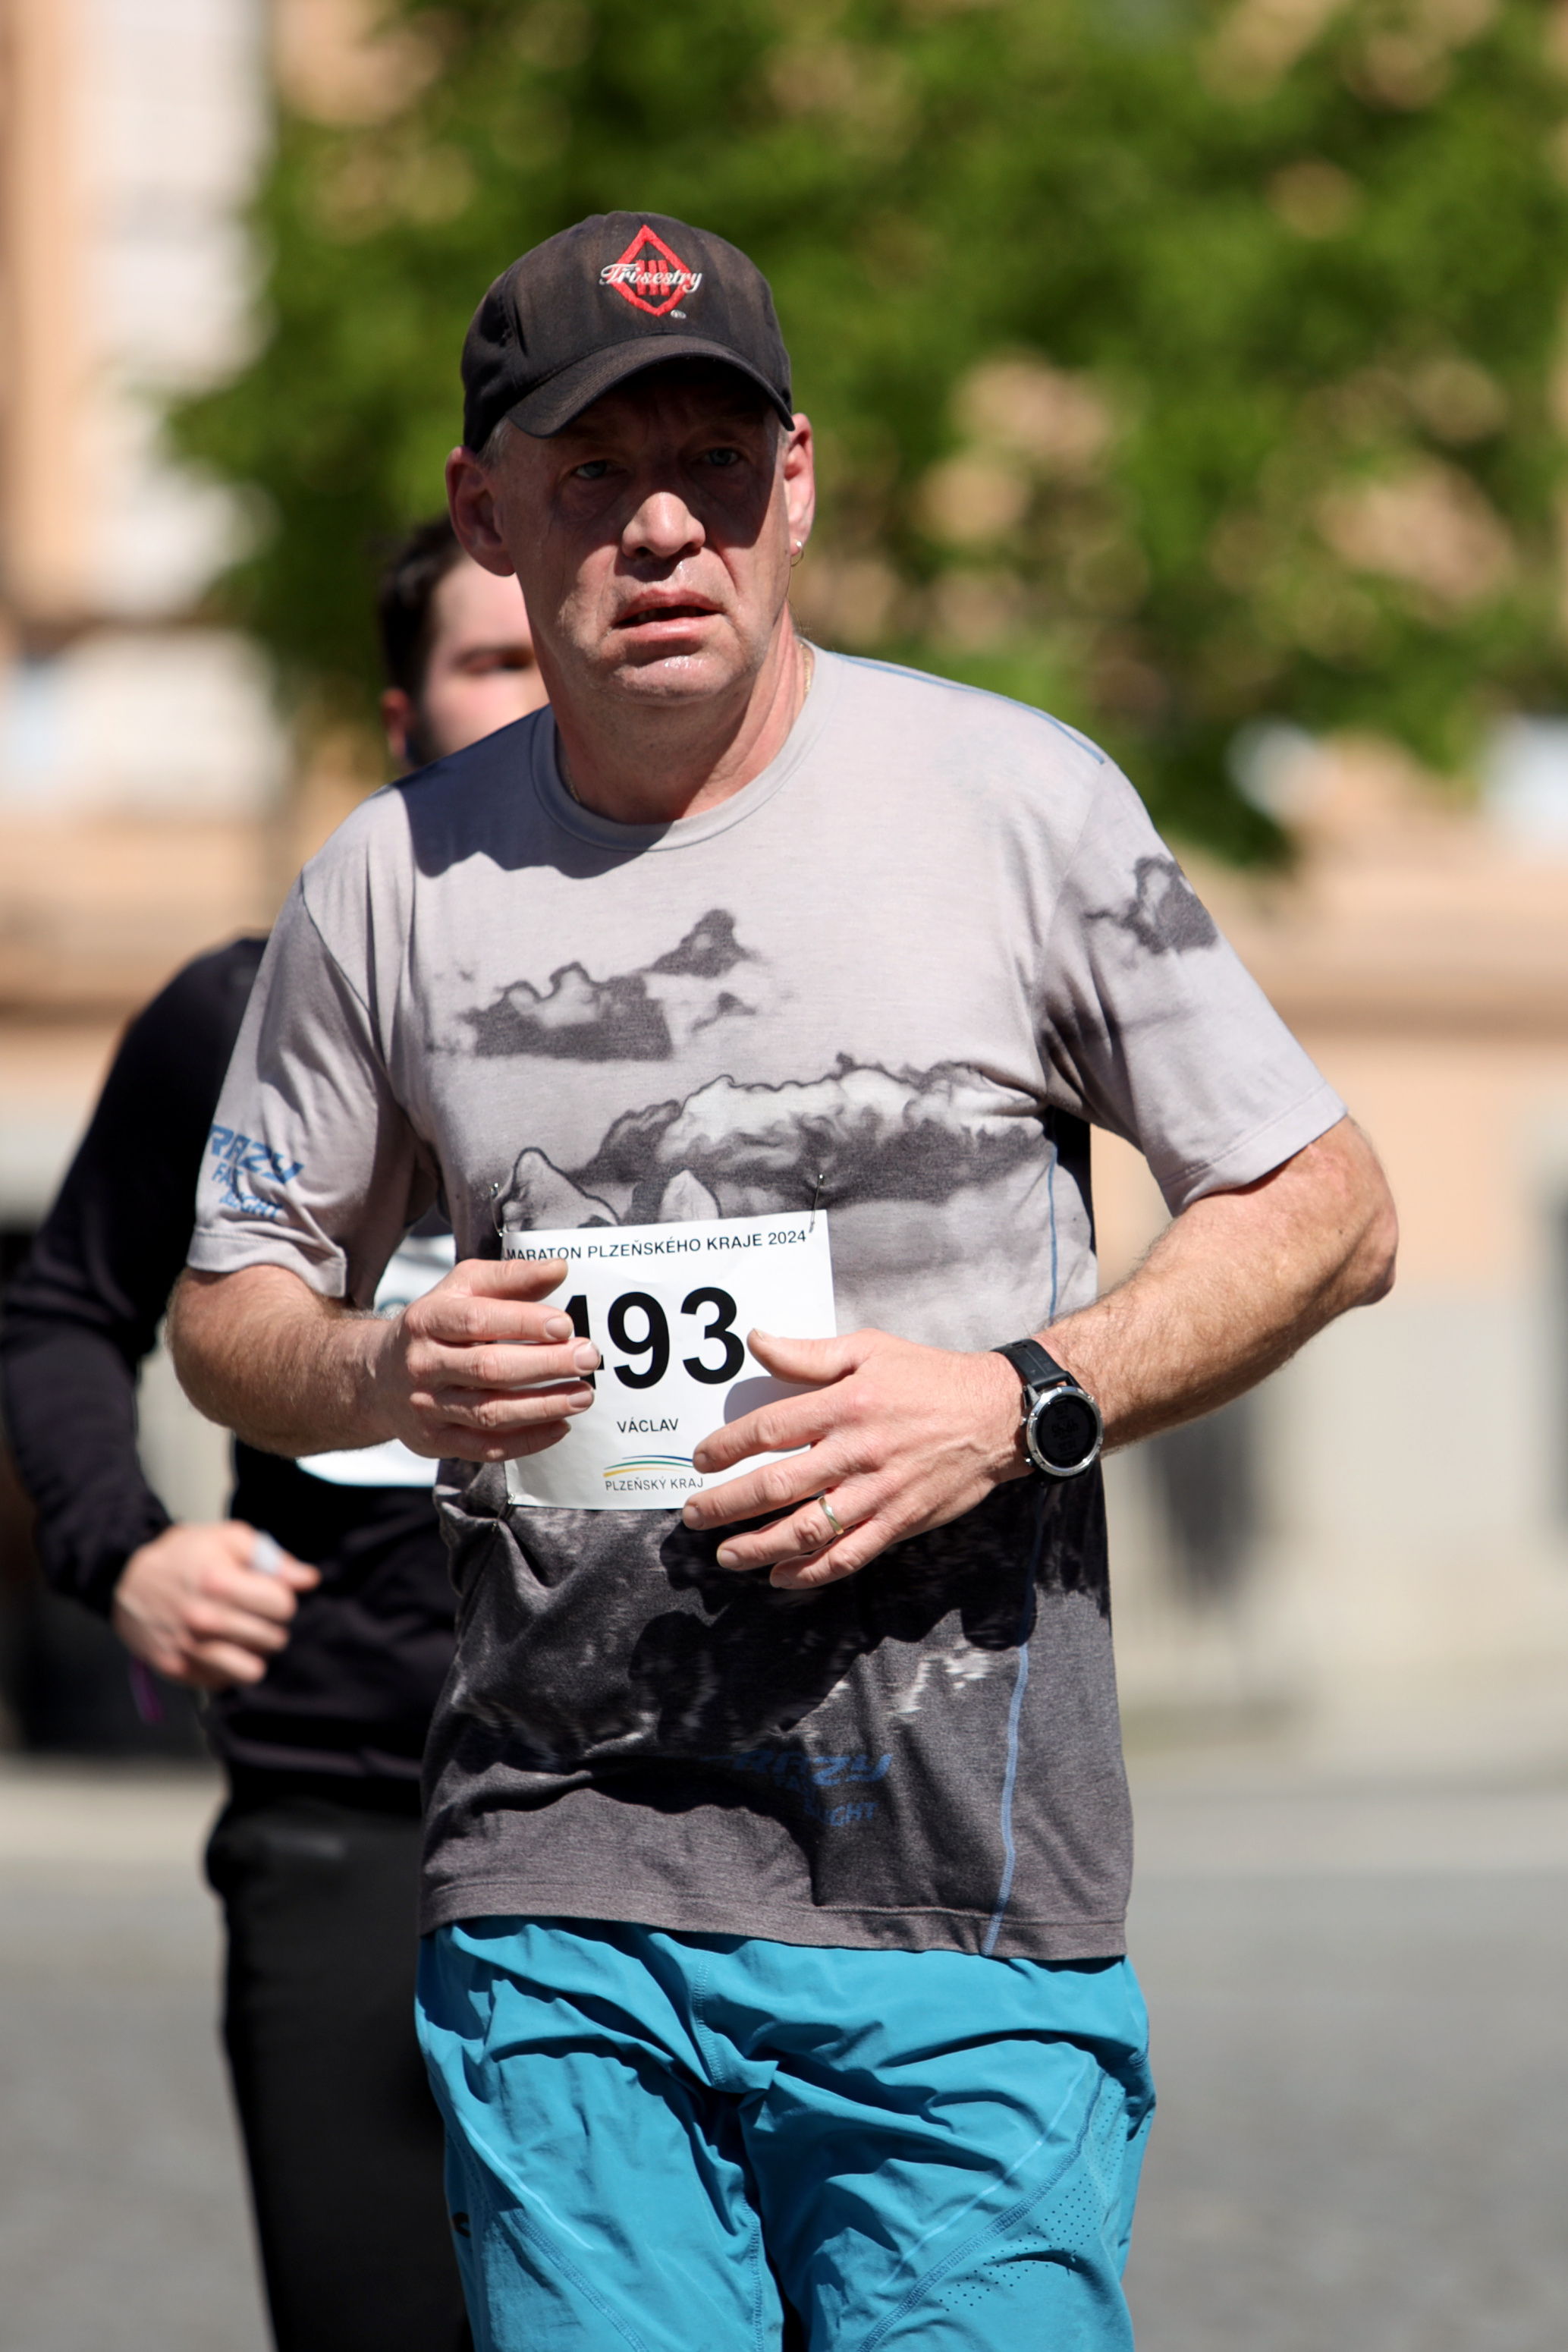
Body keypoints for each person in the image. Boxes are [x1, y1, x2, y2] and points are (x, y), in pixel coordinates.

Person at [169, 211, 1398, 2352]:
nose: (662, 527)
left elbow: (1327, 1204)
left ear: (795, 483)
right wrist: (385, 1369)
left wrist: (1010, 1397)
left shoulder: (1016, 805)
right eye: (591, 470)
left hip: (958, 1904)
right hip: (557, 1882)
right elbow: (226, 1312)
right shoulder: (390, 881)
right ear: (485, 509)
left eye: (712, 465)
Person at [0, 518, 547, 2352]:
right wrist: (123, 1550)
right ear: (402, 716)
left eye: (559, 648)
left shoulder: (746, 1011)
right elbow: (64, 1307)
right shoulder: (238, 1015)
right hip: (351, 1809)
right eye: (491, 658)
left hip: (681, 1807)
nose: (539, 688)